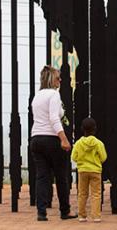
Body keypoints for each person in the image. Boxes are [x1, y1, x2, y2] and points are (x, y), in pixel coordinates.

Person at [30, 65, 77, 221]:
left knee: (42, 177)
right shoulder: (54, 95)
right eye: (58, 77)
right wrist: (63, 138)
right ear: (51, 80)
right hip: (51, 139)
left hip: (36, 139)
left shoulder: (37, 96)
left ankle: (41, 212)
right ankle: (65, 210)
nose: (60, 80)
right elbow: (54, 118)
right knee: (61, 176)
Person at [71, 117, 108, 222]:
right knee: (96, 194)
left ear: (82, 129)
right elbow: (104, 157)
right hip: (96, 171)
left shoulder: (78, 143)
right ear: (95, 129)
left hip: (82, 171)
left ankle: (82, 215)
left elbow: (73, 157)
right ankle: (96, 216)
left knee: (82, 193)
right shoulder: (99, 143)